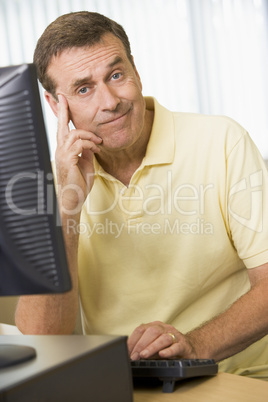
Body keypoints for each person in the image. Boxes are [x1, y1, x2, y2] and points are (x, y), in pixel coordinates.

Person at [15, 11, 268, 378]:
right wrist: (67, 209)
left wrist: (193, 347)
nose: (110, 101)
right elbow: (39, 337)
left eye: (116, 75)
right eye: (84, 89)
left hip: (234, 376)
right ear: (56, 106)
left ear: (135, 70)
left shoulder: (222, 141)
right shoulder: (57, 186)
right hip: (119, 383)